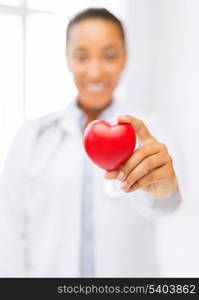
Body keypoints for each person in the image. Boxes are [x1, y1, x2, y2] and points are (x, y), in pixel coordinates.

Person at [0, 8, 182, 277]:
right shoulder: (31, 137)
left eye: (109, 56)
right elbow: (10, 233)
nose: (95, 73)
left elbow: (171, 204)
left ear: (124, 59)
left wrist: (165, 186)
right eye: (82, 56)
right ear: (67, 59)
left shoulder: (152, 132)